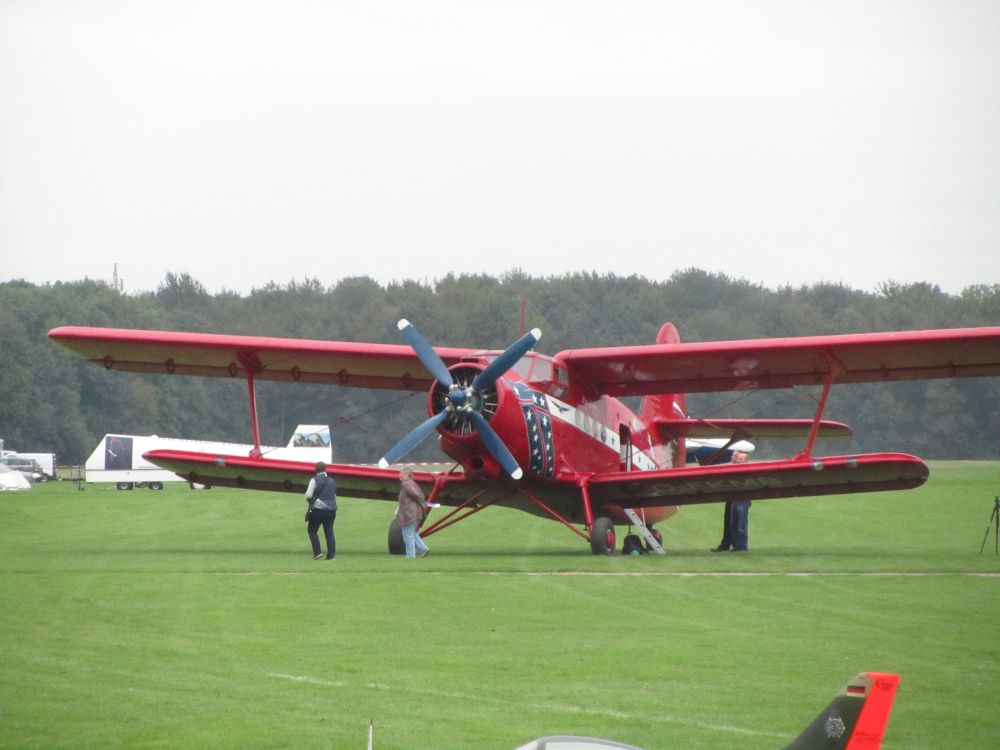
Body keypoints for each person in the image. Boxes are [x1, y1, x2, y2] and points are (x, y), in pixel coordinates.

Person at [712, 450, 751, 552]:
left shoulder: (747, 470)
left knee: (739, 522)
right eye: (735, 457)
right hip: (731, 496)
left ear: (746, 461)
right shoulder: (731, 468)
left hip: (742, 497)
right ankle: (726, 544)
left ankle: (741, 546)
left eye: (740, 458)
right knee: (729, 521)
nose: (736, 459)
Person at [304, 461, 337, 560]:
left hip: (318, 509)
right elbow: (334, 496)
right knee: (329, 532)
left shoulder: (314, 480)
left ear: (316, 470)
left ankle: (317, 552)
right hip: (331, 509)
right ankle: (331, 555)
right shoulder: (332, 481)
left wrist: (311, 502)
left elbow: (308, 495)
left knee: (312, 530)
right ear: (325, 469)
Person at [396, 465, 430, 558]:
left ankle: (411, 555)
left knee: (407, 534)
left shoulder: (406, 484)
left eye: (401, 473)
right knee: (411, 533)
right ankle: (423, 548)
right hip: (414, 513)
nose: (399, 475)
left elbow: (417, 496)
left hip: (410, 514)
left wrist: (423, 504)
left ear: (406, 474)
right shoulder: (411, 483)